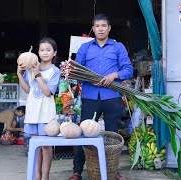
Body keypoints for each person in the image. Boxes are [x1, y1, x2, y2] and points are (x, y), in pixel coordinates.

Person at [68, 14, 133, 180]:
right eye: (97, 26)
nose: (101, 29)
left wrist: (114, 75)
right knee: (84, 133)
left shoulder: (118, 47)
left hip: (112, 96)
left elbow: (128, 70)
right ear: (93, 28)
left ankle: (113, 171)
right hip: (90, 95)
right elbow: (76, 72)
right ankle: (77, 172)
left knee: (113, 135)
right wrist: (89, 79)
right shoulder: (85, 48)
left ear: (109, 28)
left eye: (104, 26)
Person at [17, 37, 61, 180]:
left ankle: (46, 176)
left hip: (46, 114)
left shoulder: (55, 71)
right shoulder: (29, 68)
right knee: (35, 146)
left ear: (54, 53)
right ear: (38, 52)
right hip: (32, 113)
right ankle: (37, 176)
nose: (45, 53)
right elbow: (28, 90)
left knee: (46, 147)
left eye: (48, 50)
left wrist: (37, 74)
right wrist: (19, 74)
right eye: (42, 50)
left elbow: (48, 92)